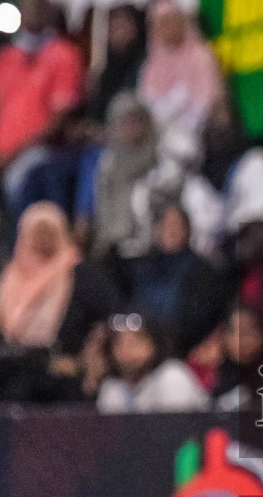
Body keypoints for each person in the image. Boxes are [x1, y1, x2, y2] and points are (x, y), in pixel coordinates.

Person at [0, 201, 120, 403]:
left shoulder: (81, 276)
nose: (43, 238)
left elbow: (111, 318)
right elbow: (0, 334)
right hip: (18, 370)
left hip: (66, 374)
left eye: (49, 231)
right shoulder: (9, 280)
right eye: (36, 232)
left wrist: (88, 356)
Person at [0, 0, 86, 216]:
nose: (32, 14)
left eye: (38, 8)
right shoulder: (5, 56)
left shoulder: (65, 54)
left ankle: (16, 245)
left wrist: (13, 155)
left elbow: (59, 118)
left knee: (19, 179)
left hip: (40, 150)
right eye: (26, 8)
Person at [124, 193, 227, 357]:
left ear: (187, 230)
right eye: (163, 225)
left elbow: (200, 319)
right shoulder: (143, 268)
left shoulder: (201, 270)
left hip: (181, 352)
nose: (168, 231)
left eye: (175, 225)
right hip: (143, 347)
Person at [73, 93, 157, 262]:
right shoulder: (105, 164)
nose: (132, 128)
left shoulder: (159, 160)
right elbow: (89, 212)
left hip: (150, 248)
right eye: (125, 122)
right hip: (110, 247)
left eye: (137, 120)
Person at [137, 0, 226, 137]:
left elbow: (206, 102)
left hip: (199, 133)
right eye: (161, 24)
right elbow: (147, 104)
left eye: (172, 22)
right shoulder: (151, 66)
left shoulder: (201, 56)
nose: (167, 28)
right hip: (159, 134)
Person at [93, 312, 209, 414]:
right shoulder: (112, 387)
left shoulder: (172, 377)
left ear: (154, 346)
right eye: (119, 344)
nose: (126, 351)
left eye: (135, 343)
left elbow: (175, 431)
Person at [86, 4, 147, 123]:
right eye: (113, 26)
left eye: (123, 25)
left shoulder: (145, 63)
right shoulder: (105, 66)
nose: (118, 32)